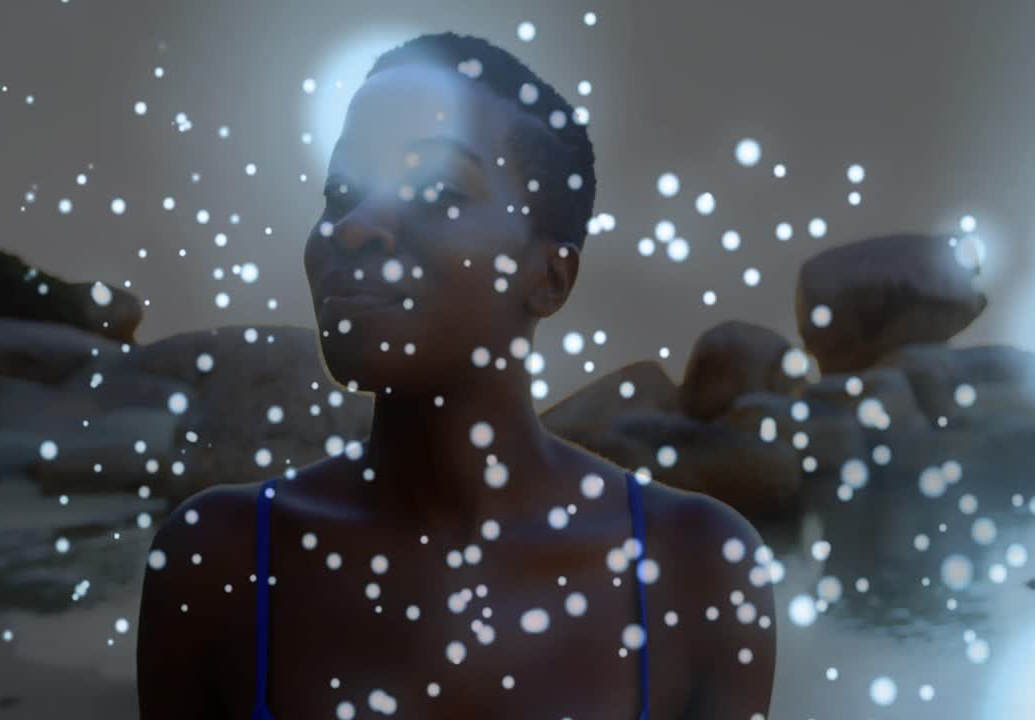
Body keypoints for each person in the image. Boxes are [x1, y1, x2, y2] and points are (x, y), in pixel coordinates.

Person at [137, 30, 776, 719]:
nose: (355, 227)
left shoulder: (698, 566)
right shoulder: (218, 559)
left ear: (549, 278)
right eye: (342, 191)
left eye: (436, 190)